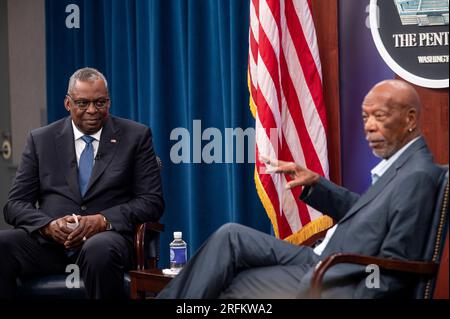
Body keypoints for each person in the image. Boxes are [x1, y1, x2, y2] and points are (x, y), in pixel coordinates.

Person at [157, 79, 443, 299]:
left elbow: (395, 267)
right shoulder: (401, 165)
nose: (369, 127)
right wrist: (316, 184)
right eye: (366, 117)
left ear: (410, 119)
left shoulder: (416, 176)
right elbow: (366, 217)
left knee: (233, 284)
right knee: (231, 237)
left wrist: (331, 289)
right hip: (327, 259)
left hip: (338, 275)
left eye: (379, 116)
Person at [0, 67, 164, 299]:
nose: (92, 110)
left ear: (109, 102)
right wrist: (48, 226)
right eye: (82, 103)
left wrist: (102, 221)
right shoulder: (41, 139)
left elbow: (152, 202)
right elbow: (15, 204)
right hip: (51, 245)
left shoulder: (136, 136)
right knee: (3, 244)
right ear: (68, 103)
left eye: (99, 103)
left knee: (98, 250)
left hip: (106, 241)